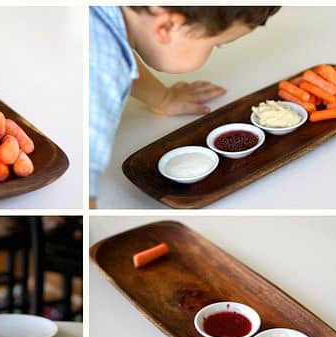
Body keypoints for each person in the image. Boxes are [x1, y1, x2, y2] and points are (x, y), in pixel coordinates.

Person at [89, 6, 281, 208]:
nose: (214, 51)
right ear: (167, 26)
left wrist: (163, 98)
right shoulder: (101, 71)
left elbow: (120, 47)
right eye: (217, 45)